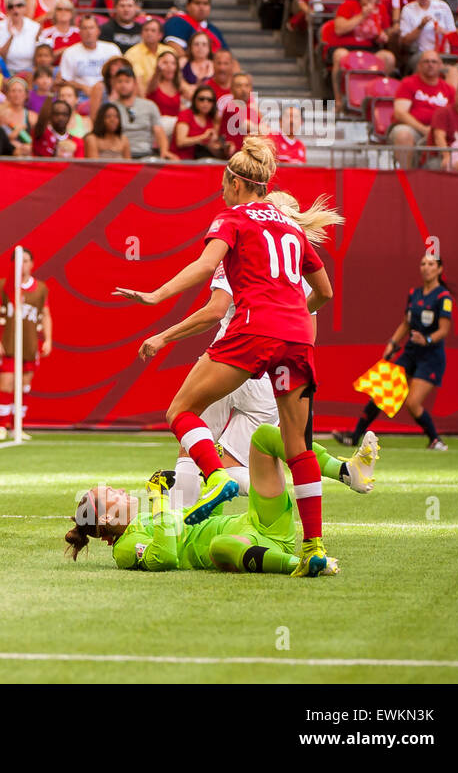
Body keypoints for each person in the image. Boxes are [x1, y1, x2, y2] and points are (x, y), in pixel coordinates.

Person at [115, 137, 340, 577]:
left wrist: (155, 295)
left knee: (180, 410)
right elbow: (326, 292)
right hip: (296, 337)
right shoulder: (290, 225)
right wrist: (295, 315)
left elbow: (204, 266)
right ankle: (313, 546)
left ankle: (215, 475)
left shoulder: (233, 218)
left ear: (236, 182)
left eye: (223, 182)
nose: (221, 190)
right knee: (298, 446)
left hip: (253, 331)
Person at [63, 425, 355, 576]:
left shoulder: (143, 520)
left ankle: (343, 469)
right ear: (105, 519)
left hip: (258, 523)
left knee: (264, 437)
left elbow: (198, 522)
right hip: (242, 544)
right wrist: (158, 497)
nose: (121, 491)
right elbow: (165, 558)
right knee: (219, 545)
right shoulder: (124, 550)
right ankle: (301, 562)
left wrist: (210, 491)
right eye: (111, 494)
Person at [334, 252, 455, 452]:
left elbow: (444, 329)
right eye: (423, 263)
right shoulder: (414, 293)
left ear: (440, 269)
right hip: (410, 353)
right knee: (381, 392)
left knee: (412, 403)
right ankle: (354, 437)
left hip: (431, 357)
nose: (426, 267)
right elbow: (406, 323)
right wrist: (392, 342)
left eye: (431, 264)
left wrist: (426, 339)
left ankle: (436, 440)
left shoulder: (443, 297)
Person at [0, 248, 51, 441]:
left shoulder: (41, 288)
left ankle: (18, 425)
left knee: (24, 386)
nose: (22, 265)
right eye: (18, 261)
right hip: (9, 343)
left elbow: (46, 315)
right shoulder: (4, 285)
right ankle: (1, 425)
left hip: (30, 345)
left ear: (32, 264)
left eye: (25, 261)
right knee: (7, 383)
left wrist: (48, 339)